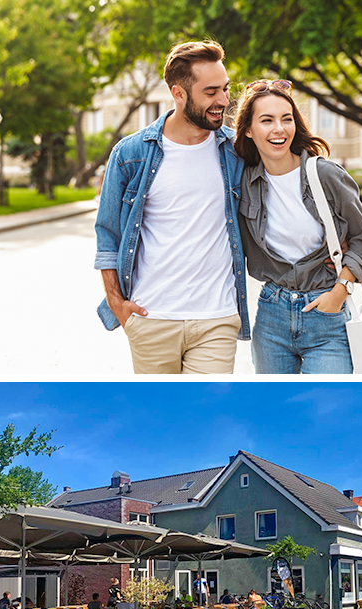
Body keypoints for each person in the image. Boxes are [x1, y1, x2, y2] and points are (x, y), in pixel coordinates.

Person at [94, 40, 249, 373]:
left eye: (225, 89)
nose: (223, 100)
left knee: (207, 419)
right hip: (151, 318)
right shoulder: (130, 154)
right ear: (179, 94)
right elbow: (108, 235)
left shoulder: (236, 150)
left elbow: (283, 183)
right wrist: (116, 302)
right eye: (211, 92)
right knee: (158, 422)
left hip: (216, 318)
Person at [234, 79, 362, 373]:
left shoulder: (325, 174)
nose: (279, 129)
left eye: (287, 119)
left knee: (327, 409)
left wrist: (340, 292)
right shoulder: (242, 184)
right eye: (267, 120)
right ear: (249, 130)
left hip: (326, 314)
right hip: (271, 315)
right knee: (277, 412)